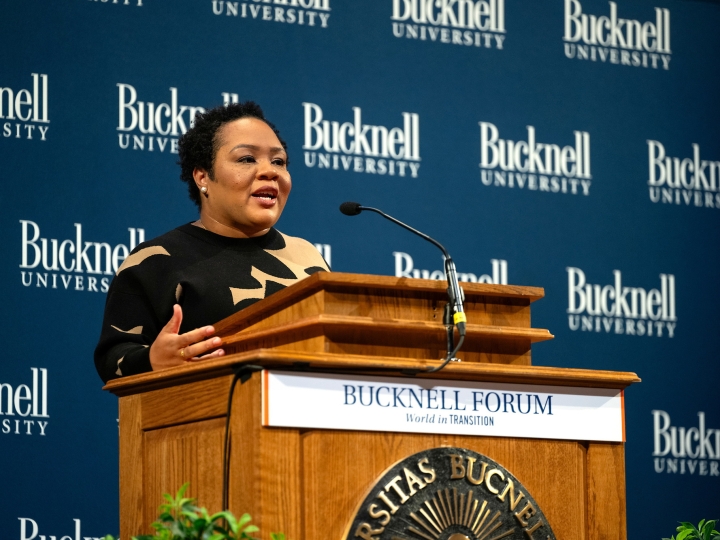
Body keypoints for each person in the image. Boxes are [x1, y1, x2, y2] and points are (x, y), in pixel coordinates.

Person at [94, 102, 329, 383]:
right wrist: (153, 360)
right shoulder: (158, 259)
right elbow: (112, 358)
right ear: (203, 177)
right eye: (246, 159)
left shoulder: (308, 257)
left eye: (278, 161)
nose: (270, 171)